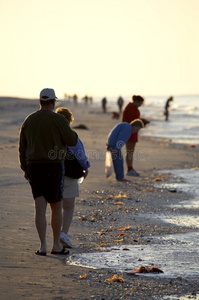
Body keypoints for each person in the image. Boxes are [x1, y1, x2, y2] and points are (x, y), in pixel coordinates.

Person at [18, 88, 78, 256]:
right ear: (53, 102)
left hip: (33, 166)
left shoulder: (29, 120)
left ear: (40, 102)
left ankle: (43, 246)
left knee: (39, 206)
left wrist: (25, 168)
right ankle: (56, 246)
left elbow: (22, 147)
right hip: (53, 166)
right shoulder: (58, 119)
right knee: (56, 206)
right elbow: (72, 140)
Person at [55, 107, 90, 248]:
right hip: (69, 174)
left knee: (55, 207)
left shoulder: (50, 135)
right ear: (69, 120)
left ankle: (55, 238)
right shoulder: (71, 135)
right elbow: (79, 153)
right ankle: (64, 234)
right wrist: (86, 167)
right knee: (68, 207)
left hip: (52, 172)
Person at [122, 95, 150, 177]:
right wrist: (143, 121)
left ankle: (130, 168)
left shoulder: (133, 108)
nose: (141, 105)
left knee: (131, 151)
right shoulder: (130, 108)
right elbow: (132, 121)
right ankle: (129, 169)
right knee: (129, 151)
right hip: (129, 131)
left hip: (133, 131)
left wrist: (142, 121)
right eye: (141, 103)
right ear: (137, 101)